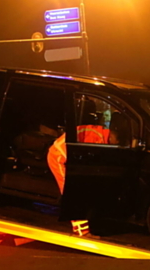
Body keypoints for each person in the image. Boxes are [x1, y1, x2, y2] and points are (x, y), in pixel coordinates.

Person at [47, 99, 110, 237]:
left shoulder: (101, 135)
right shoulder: (98, 138)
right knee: (73, 192)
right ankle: (81, 231)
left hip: (66, 155)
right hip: (59, 156)